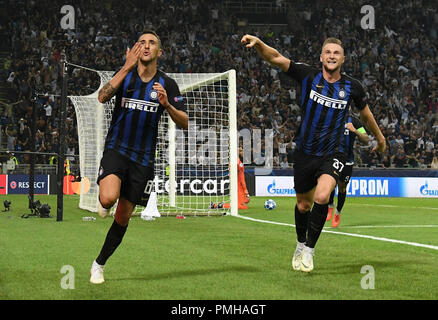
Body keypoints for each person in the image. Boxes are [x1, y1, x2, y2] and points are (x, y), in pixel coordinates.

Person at [241, 34, 386, 272]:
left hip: (334, 152)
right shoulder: (308, 75)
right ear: (321, 57)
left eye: (336, 53)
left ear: (343, 59)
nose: (331, 56)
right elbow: (276, 58)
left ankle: (309, 251)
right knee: (302, 206)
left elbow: (366, 115)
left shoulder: (352, 87)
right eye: (328, 52)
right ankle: (300, 244)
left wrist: (380, 139)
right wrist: (259, 43)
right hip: (306, 151)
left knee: (322, 196)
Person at [90, 30, 188, 284]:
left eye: (152, 43)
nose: (146, 46)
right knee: (109, 198)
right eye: (141, 42)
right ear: (135, 49)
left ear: (159, 52)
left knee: (123, 216)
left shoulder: (167, 84)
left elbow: (185, 122)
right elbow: (102, 97)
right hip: (117, 149)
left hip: (143, 159)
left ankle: (99, 264)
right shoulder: (126, 76)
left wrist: (167, 105)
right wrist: (125, 67)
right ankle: (103, 199)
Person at [326, 115, 369, 228]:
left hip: (347, 161)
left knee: (342, 187)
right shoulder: (332, 117)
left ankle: (337, 213)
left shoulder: (355, 121)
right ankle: (330, 205)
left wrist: (354, 130)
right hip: (333, 157)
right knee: (330, 183)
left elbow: (366, 138)